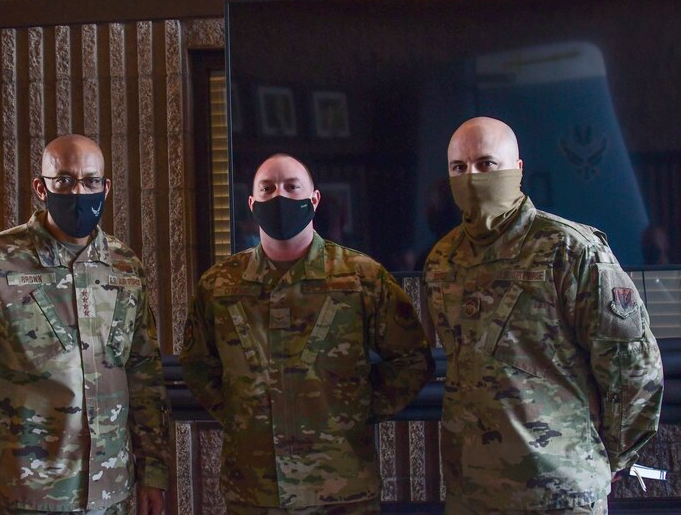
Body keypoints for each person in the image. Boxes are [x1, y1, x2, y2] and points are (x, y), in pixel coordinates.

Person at [421, 117, 664, 514]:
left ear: (518, 169)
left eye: (486, 164)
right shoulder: (443, 260)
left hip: (560, 494)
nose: (472, 177)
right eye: (458, 168)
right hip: (473, 494)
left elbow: (633, 369)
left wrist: (605, 460)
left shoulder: (571, 250)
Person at [0, 135, 172, 515]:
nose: (79, 191)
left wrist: (154, 472)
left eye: (91, 181)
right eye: (64, 181)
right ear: (41, 188)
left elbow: (144, 378)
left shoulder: (125, 266)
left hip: (112, 495)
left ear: (105, 188)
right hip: (24, 497)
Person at [181, 153, 434, 514]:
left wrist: (354, 409)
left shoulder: (361, 276)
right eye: (267, 189)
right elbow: (197, 365)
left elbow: (411, 360)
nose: (279, 197)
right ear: (252, 204)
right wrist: (242, 412)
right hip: (254, 490)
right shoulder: (220, 284)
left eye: (291, 187)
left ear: (313, 199)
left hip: (342, 488)